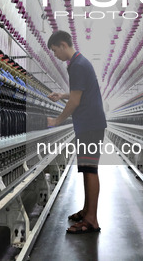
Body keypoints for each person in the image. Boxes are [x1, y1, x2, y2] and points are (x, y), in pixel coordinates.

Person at [46, 30, 107, 234]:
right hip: (89, 124)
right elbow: (76, 94)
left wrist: (57, 120)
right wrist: (62, 95)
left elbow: (75, 101)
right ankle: (87, 210)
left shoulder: (78, 66)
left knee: (90, 170)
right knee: (86, 169)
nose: (56, 56)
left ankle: (91, 220)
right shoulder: (79, 63)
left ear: (63, 45)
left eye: (55, 51)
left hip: (89, 124)